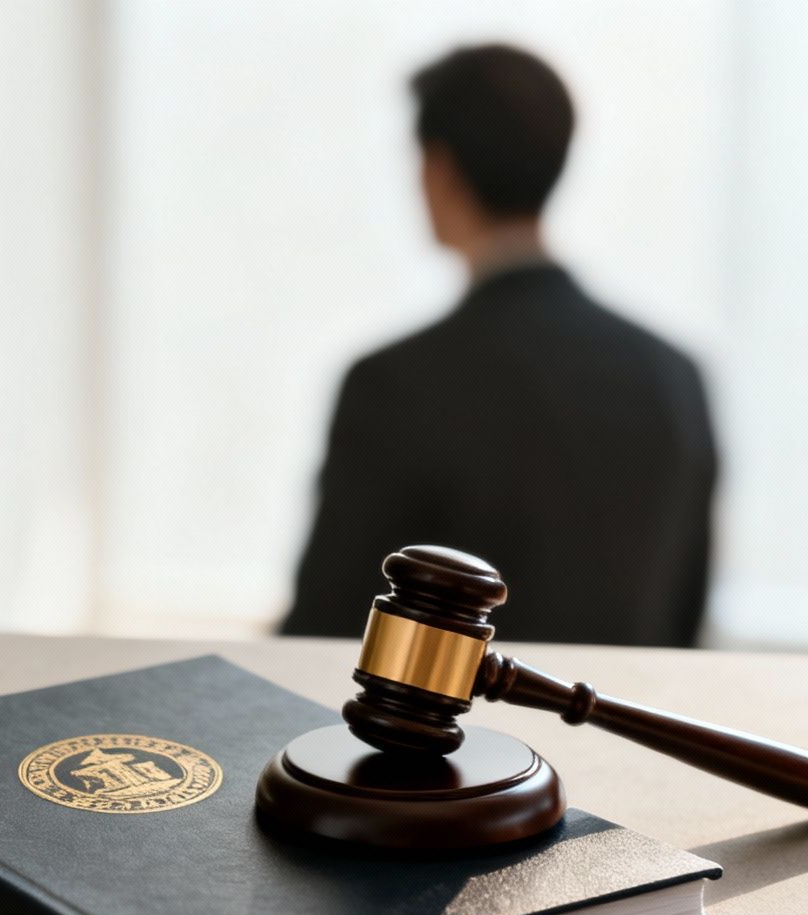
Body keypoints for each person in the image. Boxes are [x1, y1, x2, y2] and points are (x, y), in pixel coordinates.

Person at [282, 43, 718, 647]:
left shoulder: (394, 383)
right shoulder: (675, 377)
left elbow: (319, 634)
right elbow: (683, 626)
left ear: (439, 169)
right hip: (613, 734)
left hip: (441, 741)